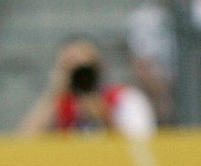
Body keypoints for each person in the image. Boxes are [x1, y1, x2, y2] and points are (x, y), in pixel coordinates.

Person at [18, 37, 155, 138]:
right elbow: (25, 143)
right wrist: (54, 91)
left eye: (84, 68)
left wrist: (100, 111)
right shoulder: (57, 105)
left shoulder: (127, 99)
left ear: (99, 67)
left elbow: (140, 147)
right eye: (70, 66)